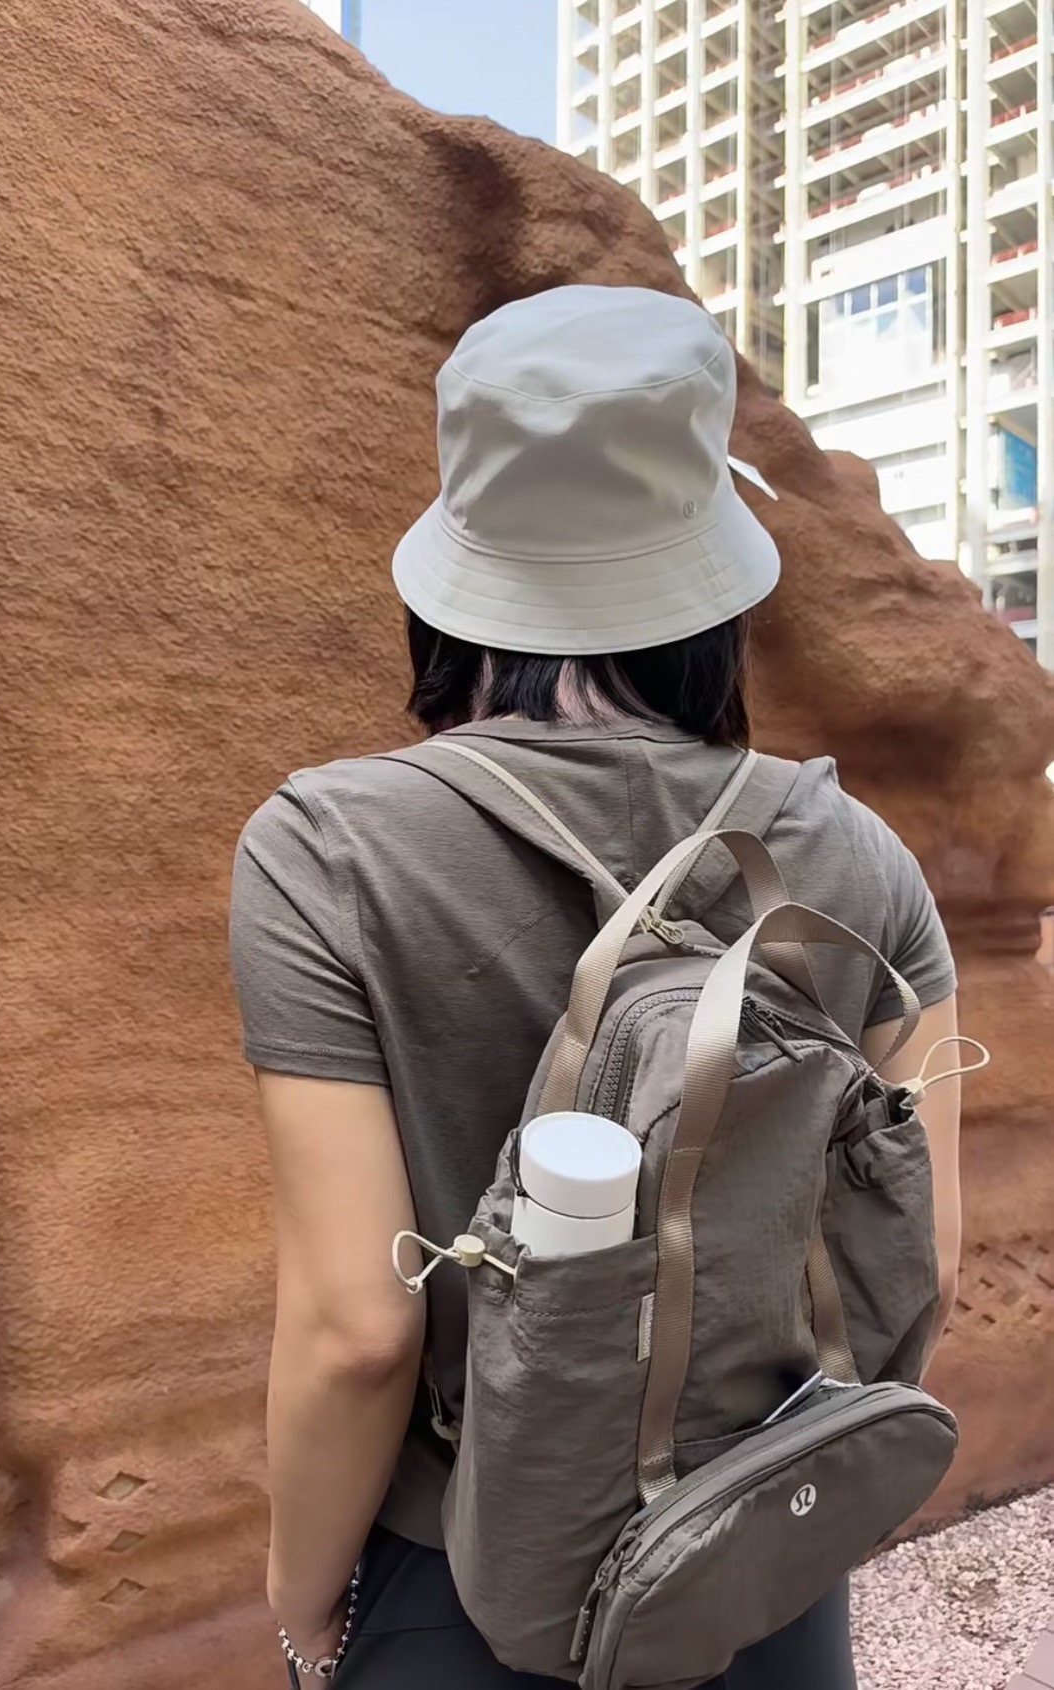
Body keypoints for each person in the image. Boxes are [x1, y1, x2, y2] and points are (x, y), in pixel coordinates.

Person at [229, 286, 961, 1689]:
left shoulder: (325, 850)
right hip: (755, 1571)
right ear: (712, 577)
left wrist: (303, 1608)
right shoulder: (856, 852)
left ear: (456, 568)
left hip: (464, 1590)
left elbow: (360, 1330)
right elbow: (914, 1252)